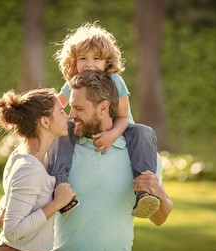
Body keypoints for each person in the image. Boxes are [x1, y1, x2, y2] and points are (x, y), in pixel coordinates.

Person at [48, 70, 173, 251]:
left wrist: (159, 193)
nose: (71, 115)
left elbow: (159, 218)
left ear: (103, 108)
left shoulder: (141, 154)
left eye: (79, 108)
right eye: (71, 107)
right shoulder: (59, 151)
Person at [53, 22, 159, 218]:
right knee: (64, 130)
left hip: (121, 127)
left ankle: (144, 192)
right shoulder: (75, 83)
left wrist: (111, 135)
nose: (89, 64)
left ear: (107, 61)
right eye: (82, 58)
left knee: (144, 131)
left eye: (96, 58)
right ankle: (60, 186)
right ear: (73, 61)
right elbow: (57, 104)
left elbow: (122, 117)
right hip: (84, 126)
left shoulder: (115, 81)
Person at [0, 88, 76, 251]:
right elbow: (12, 231)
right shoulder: (29, 168)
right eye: (62, 111)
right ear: (45, 122)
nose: (68, 117)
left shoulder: (25, 156)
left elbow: (5, 210)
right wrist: (57, 204)